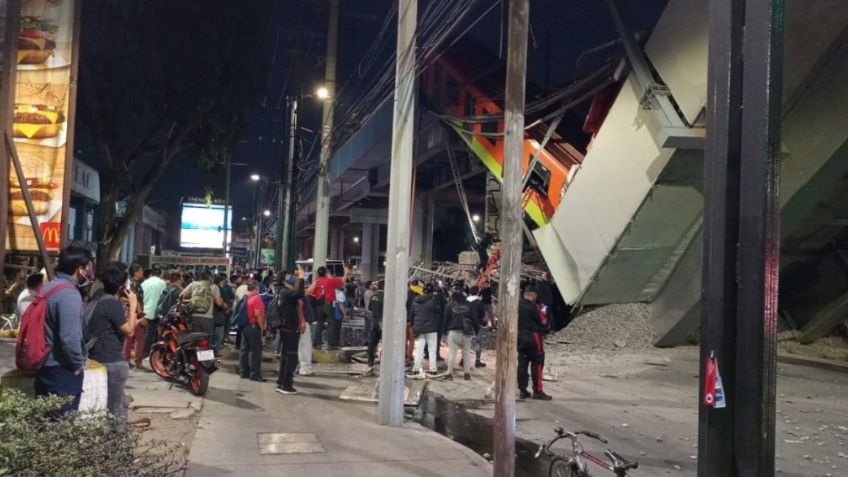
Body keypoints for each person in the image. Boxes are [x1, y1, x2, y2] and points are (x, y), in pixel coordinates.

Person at [35, 246, 94, 414]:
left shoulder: (49, 287)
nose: (90, 272)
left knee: (46, 423)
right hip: (61, 369)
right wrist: (77, 364)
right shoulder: (69, 294)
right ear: (80, 269)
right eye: (89, 267)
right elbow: (69, 337)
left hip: (45, 366)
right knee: (62, 425)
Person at [86, 261, 139, 422]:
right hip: (112, 361)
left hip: (97, 357)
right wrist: (133, 303)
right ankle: (117, 443)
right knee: (116, 409)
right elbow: (129, 331)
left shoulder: (97, 298)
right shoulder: (111, 303)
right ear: (123, 283)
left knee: (113, 404)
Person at [518, 286, 552, 400]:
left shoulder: (517, 304)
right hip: (533, 337)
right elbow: (543, 320)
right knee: (537, 363)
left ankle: (522, 390)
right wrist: (544, 312)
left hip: (520, 337)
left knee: (522, 364)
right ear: (532, 295)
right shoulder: (533, 306)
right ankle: (537, 391)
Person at [275, 272, 306, 394]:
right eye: (290, 276)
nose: (293, 278)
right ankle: (286, 385)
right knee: (292, 356)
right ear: (284, 280)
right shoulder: (287, 293)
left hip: (285, 327)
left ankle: (281, 382)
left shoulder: (281, 292)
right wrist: (301, 278)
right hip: (290, 327)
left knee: (285, 356)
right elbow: (300, 293)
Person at [309, 265, 347, 350]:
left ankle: (317, 344)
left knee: (319, 324)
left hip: (319, 305)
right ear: (326, 273)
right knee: (331, 324)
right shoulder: (330, 281)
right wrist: (346, 272)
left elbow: (310, 292)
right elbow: (342, 282)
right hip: (328, 304)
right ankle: (331, 344)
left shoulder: (316, 282)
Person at [443, 287, 476, 381]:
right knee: (466, 353)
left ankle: (449, 373)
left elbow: (446, 319)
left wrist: (444, 331)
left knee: (452, 353)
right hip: (466, 333)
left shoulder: (449, 305)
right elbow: (474, 318)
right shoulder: (469, 305)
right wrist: (475, 330)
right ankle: (467, 374)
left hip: (453, 332)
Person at [180, 269, 224, 336]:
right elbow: (219, 303)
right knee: (207, 339)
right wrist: (224, 305)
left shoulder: (194, 284)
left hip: (194, 317)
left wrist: (192, 298)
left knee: (194, 340)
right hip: (208, 318)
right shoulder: (214, 287)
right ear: (210, 277)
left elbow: (181, 295)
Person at [411, 283, 441, 375]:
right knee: (432, 350)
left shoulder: (415, 301)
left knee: (419, 350)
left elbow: (411, 315)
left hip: (419, 329)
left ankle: (416, 369)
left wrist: (413, 325)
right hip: (431, 329)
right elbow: (439, 312)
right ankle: (433, 370)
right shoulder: (433, 302)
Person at [240, 280, 266, 381]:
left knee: (244, 350)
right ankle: (254, 374)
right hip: (253, 326)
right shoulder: (257, 298)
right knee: (255, 351)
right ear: (256, 289)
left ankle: (243, 372)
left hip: (245, 326)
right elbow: (258, 314)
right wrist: (262, 328)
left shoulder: (245, 297)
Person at [122, 263, 147, 370]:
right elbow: (136, 301)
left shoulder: (128, 283)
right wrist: (141, 315)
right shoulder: (135, 284)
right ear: (136, 272)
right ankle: (138, 361)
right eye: (141, 271)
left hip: (129, 311)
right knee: (139, 338)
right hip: (135, 313)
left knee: (129, 338)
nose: (142, 273)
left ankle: (126, 360)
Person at [140, 267, 166, 359]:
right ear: (160, 274)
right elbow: (164, 296)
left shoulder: (145, 282)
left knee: (145, 334)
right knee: (152, 334)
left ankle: (143, 352)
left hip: (144, 310)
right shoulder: (162, 283)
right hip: (154, 311)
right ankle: (148, 353)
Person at [467, 286, 488, 368]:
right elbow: (483, 314)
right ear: (478, 292)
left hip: (467, 324)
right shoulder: (479, 302)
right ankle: (477, 360)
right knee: (478, 343)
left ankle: (463, 359)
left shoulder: (466, 300)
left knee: (466, 343)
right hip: (477, 324)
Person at [366, 281, 385, 367]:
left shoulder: (373, 296)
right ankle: (384, 359)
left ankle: (370, 360)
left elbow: (370, 308)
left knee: (373, 342)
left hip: (374, 321)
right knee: (385, 341)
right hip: (383, 321)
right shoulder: (386, 297)